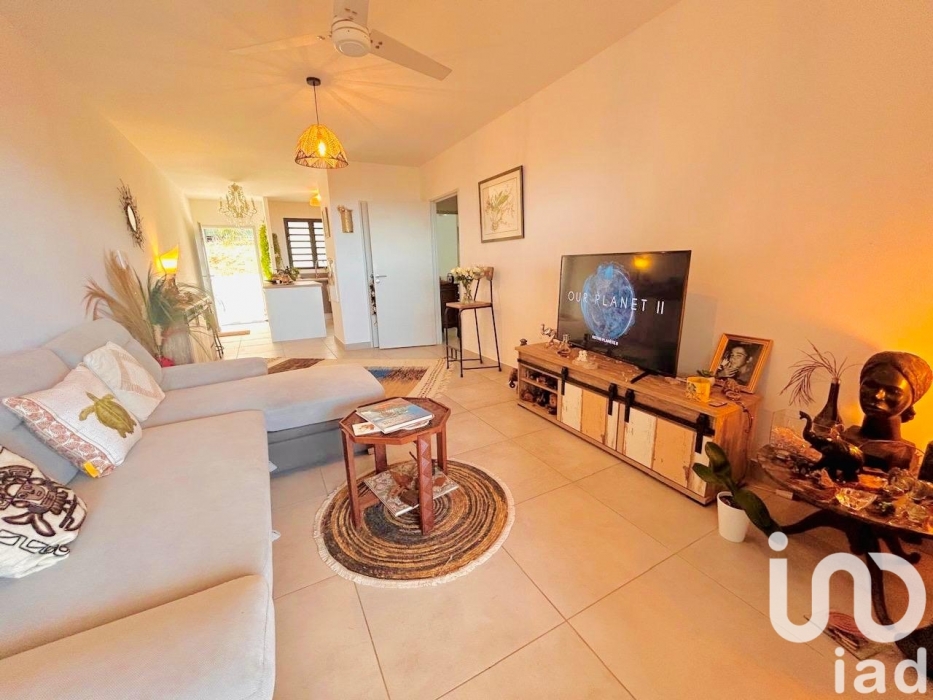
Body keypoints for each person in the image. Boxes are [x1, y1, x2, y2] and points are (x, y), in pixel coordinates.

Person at [844, 351, 932, 471]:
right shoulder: (845, 437)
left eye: (893, 391)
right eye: (870, 385)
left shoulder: (900, 454)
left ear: (913, 399)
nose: (877, 396)